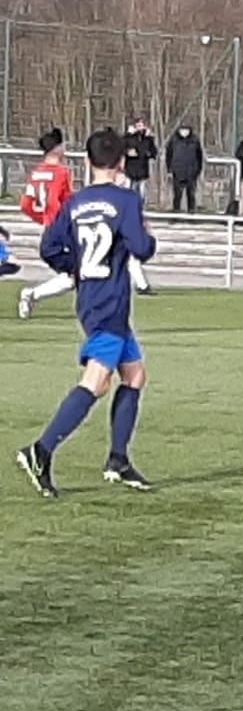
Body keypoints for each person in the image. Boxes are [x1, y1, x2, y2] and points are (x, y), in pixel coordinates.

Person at [16, 127, 158, 499]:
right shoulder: (126, 200)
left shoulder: (75, 202)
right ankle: (40, 451)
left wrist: (75, 268)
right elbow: (142, 248)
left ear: (87, 161)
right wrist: (147, 234)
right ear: (122, 163)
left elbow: (49, 247)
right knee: (96, 381)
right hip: (109, 302)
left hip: (95, 299)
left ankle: (118, 459)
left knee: (135, 375)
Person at [18, 127, 76, 320]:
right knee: (81, 272)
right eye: (62, 145)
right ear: (57, 149)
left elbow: (26, 205)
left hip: (50, 229)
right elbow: (60, 202)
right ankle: (31, 294)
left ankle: (31, 295)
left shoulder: (36, 173)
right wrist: (61, 220)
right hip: (62, 231)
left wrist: (44, 218)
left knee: (72, 276)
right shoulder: (62, 172)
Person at [165, 123, 204, 214]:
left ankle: (191, 212)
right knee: (177, 194)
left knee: (191, 193)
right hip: (177, 170)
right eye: (182, 130)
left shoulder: (195, 140)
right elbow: (169, 155)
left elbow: (199, 156)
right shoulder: (174, 140)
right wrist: (169, 169)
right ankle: (176, 212)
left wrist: (198, 169)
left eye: (186, 130)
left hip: (191, 171)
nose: (184, 132)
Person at [123, 118, 159, 200]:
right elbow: (121, 148)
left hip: (143, 168)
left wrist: (149, 154)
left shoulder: (148, 139)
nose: (140, 128)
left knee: (142, 192)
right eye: (138, 126)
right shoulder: (128, 137)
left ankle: (141, 204)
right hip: (130, 168)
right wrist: (128, 152)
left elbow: (154, 151)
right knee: (129, 190)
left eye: (141, 125)